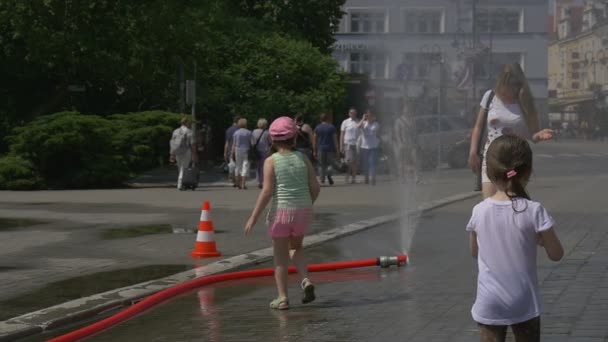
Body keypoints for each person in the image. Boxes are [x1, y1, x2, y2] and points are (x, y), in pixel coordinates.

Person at [466, 134, 564, 342]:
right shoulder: (534, 210)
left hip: (489, 301)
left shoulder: (479, 211)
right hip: (523, 301)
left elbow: (475, 252)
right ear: (527, 171)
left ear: (490, 173)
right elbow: (556, 254)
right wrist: (540, 239)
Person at [244, 116, 320, 310]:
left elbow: (267, 191)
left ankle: (282, 297)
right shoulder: (303, 158)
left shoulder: (271, 161)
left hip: (281, 213)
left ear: (272, 139)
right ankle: (305, 280)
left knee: (280, 256)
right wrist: (307, 203)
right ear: (294, 138)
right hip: (303, 210)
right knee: (296, 248)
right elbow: (315, 186)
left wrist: (253, 217)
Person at [468, 63, 554, 199]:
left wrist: (538, 135)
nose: (515, 88)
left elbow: (533, 135)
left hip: (515, 162)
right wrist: (473, 151)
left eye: (518, 83)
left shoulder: (525, 101)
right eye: (511, 83)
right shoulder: (490, 97)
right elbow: (478, 127)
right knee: (489, 201)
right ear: (502, 81)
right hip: (491, 159)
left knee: (509, 198)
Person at [393, 102, 420, 183]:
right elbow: (397, 133)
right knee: (403, 162)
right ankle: (403, 178)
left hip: (412, 144)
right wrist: (400, 143)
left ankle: (416, 177)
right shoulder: (399, 121)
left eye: (408, 109)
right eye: (405, 109)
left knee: (415, 160)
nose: (407, 111)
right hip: (403, 144)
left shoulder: (413, 120)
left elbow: (415, 132)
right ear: (403, 111)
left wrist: (417, 142)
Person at [169, 117, 197, 190]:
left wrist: (172, 154)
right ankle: (180, 185)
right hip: (186, 151)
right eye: (189, 123)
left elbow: (172, 143)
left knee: (179, 168)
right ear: (186, 123)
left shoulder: (175, 131)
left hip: (177, 151)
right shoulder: (189, 132)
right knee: (184, 168)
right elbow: (193, 144)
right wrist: (194, 155)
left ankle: (181, 183)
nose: (190, 124)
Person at [313, 113, 339, 185]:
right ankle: (329, 174)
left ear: (320, 119)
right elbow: (335, 139)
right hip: (330, 149)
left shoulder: (317, 128)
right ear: (327, 119)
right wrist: (337, 150)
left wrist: (314, 150)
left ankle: (322, 179)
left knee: (321, 165)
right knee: (330, 164)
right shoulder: (332, 127)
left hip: (321, 148)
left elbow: (314, 139)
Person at [358, 109, 381, 185]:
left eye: (370, 115)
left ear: (373, 116)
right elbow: (358, 127)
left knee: (372, 163)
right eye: (367, 115)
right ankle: (366, 178)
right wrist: (363, 119)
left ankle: (373, 178)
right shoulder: (363, 123)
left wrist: (368, 123)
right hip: (364, 147)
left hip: (373, 146)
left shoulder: (376, 124)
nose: (369, 117)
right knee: (365, 164)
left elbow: (373, 132)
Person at [340, 107, 360, 184]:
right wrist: (341, 146)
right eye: (351, 113)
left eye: (354, 113)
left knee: (355, 162)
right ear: (349, 114)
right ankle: (347, 176)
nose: (353, 114)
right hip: (348, 144)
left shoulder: (358, 121)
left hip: (356, 144)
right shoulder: (345, 122)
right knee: (349, 161)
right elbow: (342, 134)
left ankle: (353, 178)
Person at [231, 118, 252, 190]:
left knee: (238, 166)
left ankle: (238, 183)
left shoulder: (236, 133)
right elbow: (252, 142)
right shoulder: (249, 132)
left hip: (237, 150)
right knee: (245, 166)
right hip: (246, 150)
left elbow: (234, 144)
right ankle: (243, 184)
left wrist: (232, 153)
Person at [251, 118, 271, 189]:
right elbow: (270, 142)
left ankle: (258, 181)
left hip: (256, 151)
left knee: (257, 167)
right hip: (264, 151)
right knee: (263, 167)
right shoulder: (267, 132)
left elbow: (252, 142)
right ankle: (263, 181)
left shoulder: (254, 131)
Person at [224, 116, 240, 187]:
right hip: (238, 149)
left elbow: (227, 142)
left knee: (232, 165)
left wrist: (225, 152)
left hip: (230, 150)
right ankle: (237, 181)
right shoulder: (240, 130)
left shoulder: (228, 130)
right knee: (238, 166)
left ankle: (233, 180)